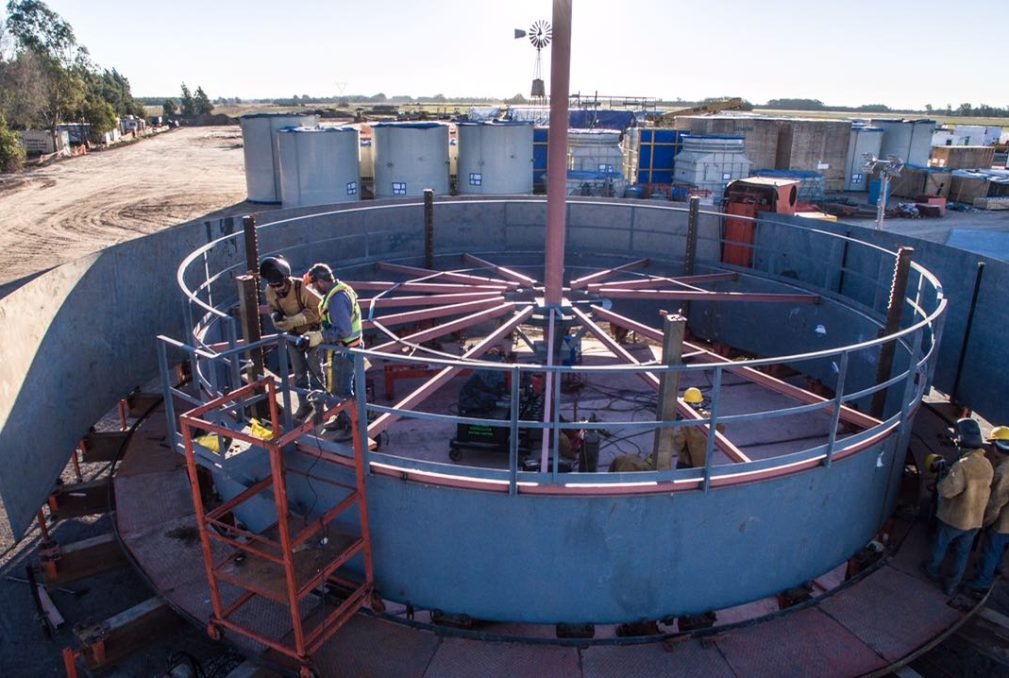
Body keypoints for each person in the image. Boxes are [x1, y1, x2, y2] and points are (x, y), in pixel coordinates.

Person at [923, 418, 993, 597]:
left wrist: (941, 479)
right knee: (962, 554)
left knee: (940, 544)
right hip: (975, 521)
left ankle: (931, 570)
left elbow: (947, 491)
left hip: (955, 519)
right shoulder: (987, 464)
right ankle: (952, 585)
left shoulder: (963, 466)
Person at [301, 263, 362, 437]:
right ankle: (343, 420)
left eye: (314, 286)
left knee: (342, 391)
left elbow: (344, 330)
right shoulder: (340, 290)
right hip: (347, 349)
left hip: (345, 351)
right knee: (339, 389)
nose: (315, 289)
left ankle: (352, 428)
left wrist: (320, 337)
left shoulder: (336, 299)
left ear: (320, 281)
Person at [259, 256, 324, 417]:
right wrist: (275, 316)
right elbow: (273, 307)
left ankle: (319, 408)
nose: (277, 289)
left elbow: (321, 309)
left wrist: (300, 318)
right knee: (299, 372)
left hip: (312, 334)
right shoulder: (270, 290)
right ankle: (305, 405)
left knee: (315, 371)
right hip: (293, 336)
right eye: (273, 286)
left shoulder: (302, 288)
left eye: (279, 285)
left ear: (286, 279)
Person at [966, 426, 1009, 593]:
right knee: (1001, 549)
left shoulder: (1004, 471)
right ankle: (996, 568)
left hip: (1004, 523)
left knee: (991, 550)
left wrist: (982, 522)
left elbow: (996, 502)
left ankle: (981, 583)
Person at [674, 387, 724, 470]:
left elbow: (679, 444)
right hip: (704, 463)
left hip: (687, 464)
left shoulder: (686, 423)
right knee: (702, 481)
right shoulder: (709, 417)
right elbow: (721, 429)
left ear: (688, 404)